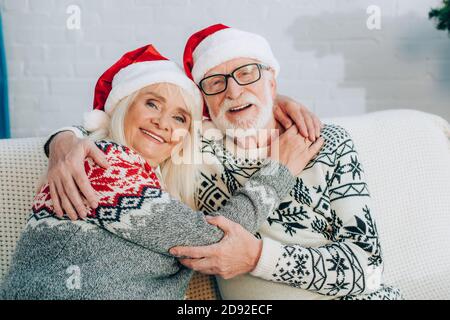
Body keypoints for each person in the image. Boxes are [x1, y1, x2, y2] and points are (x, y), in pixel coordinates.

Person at [40, 24, 402, 300]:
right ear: (206, 103)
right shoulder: (189, 148)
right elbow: (124, 125)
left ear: (272, 81)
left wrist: (257, 256)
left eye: (248, 74)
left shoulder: (327, 140)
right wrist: (65, 142)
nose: (233, 91)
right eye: (215, 82)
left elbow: (368, 269)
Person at [0, 44, 323, 299]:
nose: (163, 122)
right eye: (152, 104)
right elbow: (217, 240)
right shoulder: (103, 164)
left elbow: (221, 114)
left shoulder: (130, 173)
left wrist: (271, 98)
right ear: (123, 106)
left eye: (180, 118)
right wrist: (280, 170)